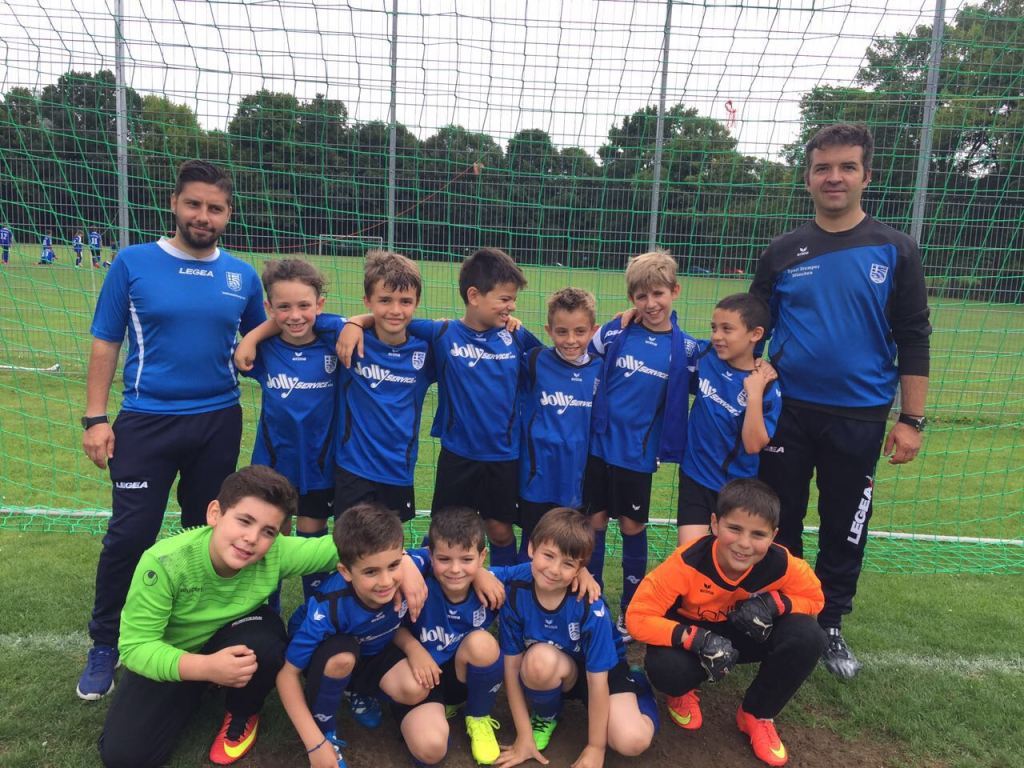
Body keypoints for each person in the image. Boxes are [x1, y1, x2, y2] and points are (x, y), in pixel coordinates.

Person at [78, 159, 266, 701]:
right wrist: (95, 418)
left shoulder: (242, 276)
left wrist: (352, 325)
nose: (203, 216)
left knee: (205, 532)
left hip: (218, 420)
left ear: (228, 214)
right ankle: (106, 642)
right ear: (174, 204)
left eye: (215, 208)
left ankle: (190, 632)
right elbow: (106, 340)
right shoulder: (133, 263)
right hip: (146, 421)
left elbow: (268, 334)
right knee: (131, 534)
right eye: (194, 204)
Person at [750, 123, 931, 679]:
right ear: (808, 178)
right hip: (787, 411)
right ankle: (784, 613)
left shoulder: (896, 249)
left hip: (860, 415)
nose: (834, 177)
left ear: (866, 176)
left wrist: (912, 419)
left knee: (845, 524)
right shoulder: (781, 252)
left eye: (847, 167)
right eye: (823, 168)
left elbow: (914, 335)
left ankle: (829, 622)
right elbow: (750, 329)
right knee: (779, 519)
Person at [97, 465, 341, 767]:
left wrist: (396, 562)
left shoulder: (275, 553)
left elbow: (344, 546)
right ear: (215, 513)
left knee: (266, 639)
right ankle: (202, 685)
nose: (252, 538)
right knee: (124, 757)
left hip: (234, 637)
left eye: (268, 531)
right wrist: (206, 668)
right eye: (244, 521)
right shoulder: (164, 563)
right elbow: (135, 647)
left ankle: (243, 711)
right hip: (175, 651)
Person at [338, 247, 541, 566]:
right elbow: (394, 322)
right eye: (504, 298)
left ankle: (506, 586)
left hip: (503, 456)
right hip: (457, 454)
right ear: (474, 296)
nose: (511, 306)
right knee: (443, 530)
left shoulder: (515, 336)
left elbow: (549, 363)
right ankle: (430, 580)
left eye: (513, 300)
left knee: (500, 530)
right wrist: (354, 322)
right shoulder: (442, 333)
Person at [626, 478, 826, 767]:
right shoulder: (686, 562)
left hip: (745, 633)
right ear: (715, 524)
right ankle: (680, 692)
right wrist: (693, 638)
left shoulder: (782, 563)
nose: (744, 544)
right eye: (734, 529)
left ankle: (756, 714)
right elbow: (637, 616)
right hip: (694, 634)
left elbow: (815, 598)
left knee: (808, 636)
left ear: (773, 535)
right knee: (666, 668)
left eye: (758, 534)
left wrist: (775, 604)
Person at [583, 250, 698, 639]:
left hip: (638, 453)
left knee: (632, 525)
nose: (651, 304)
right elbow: (578, 356)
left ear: (675, 291)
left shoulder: (685, 350)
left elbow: (719, 370)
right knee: (594, 523)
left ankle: (631, 607)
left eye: (658, 294)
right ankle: (593, 602)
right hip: (597, 447)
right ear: (631, 299)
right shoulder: (614, 333)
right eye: (641, 296)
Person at [275, 502, 436, 768]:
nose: (386, 581)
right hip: (331, 654)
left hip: (373, 647)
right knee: (342, 655)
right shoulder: (328, 608)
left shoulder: (409, 566)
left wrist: (479, 574)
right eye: (371, 571)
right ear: (345, 572)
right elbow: (287, 674)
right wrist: (314, 742)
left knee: (416, 688)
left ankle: (356, 690)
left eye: (394, 565)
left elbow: (442, 557)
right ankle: (326, 729)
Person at [496, 507, 658, 768]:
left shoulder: (590, 606)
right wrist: (523, 736)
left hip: (602, 673)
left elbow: (597, 681)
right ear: (531, 548)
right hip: (558, 668)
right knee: (538, 661)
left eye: (568, 564)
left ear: (580, 569)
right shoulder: (515, 590)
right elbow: (511, 670)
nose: (554, 570)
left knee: (632, 741)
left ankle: (641, 690)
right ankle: (547, 715)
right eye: (548, 556)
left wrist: (596, 747)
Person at [235, 258, 339, 604]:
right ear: (269, 308)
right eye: (284, 307)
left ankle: (316, 612)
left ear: (319, 305)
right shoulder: (264, 350)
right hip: (272, 464)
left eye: (304, 306)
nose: (295, 315)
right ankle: (267, 609)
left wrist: (254, 332)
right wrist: (253, 336)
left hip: (320, 465)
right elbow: (239, 356)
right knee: (270, 535)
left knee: (311, 538)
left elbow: (360, 324)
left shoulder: (335, 344)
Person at [676, 293, 781, 545]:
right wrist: (632, 315)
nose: (717, 336)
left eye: (727, 329)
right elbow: (665, 335)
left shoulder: (767, 386)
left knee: (730, 556)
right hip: (695, 476)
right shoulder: (705, 355)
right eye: (714, 328)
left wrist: (753, 395)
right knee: (689, 553)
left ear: (755, 334)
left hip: (736, 489)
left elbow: (753, 445)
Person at [517, 287, 601, 558]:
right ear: (549, 330)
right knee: (532, 543)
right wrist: (515, 327)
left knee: (572, 546)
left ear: (593, 330)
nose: (571, 340)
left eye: (580, 331)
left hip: (576, 478)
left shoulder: (601, 368)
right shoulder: (534, 360)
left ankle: (585, 585)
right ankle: (520, 582)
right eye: (562, 332)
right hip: (537, 475)